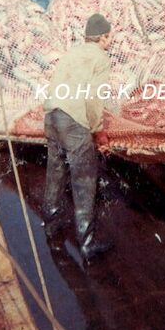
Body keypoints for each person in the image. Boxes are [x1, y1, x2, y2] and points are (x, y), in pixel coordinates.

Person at [42, 13, 112, 262]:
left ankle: (51, 225)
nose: (109, 42)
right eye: (109, 37)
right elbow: (93, 98)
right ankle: (87, 243)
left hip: (51, 116)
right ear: (103, 37)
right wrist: (98, 130)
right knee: (84, 179)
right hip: (73, 121)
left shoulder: (72, 53)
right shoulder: (100, 58)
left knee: (56, 170)